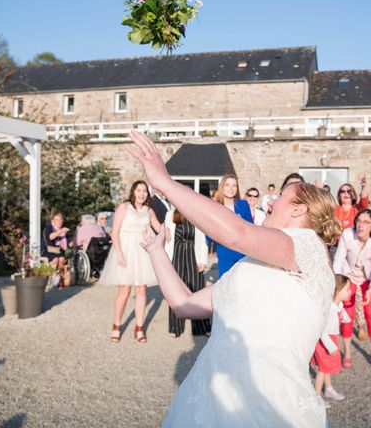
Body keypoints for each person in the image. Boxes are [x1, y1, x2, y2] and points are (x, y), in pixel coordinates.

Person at [128, 130, 342, 427]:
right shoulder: (249, 267)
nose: (270, 203)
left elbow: (236, 232)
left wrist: (165, 182)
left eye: (279, 198)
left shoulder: (309, 248)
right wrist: (155, 251)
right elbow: (185, 304)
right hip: (208, 400)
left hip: (265, 402)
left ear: (299, 209)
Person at [99, 180, 163, 343]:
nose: (142, 194)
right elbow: (115, 231)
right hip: (125, 250)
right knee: (124, 291)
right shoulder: (124, 207)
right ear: (133, 192)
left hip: (141, 252)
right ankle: (117, 325)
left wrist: (168, 227)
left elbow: (159, 227)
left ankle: (139, 327)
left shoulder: (148, 210)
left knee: (141, 290)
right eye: (139, 190)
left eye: (144, 191)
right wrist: (119, 254)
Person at [333, 208, 371, 370]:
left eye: (365, 222)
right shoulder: (347, 235)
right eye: (358, 221)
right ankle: (347, 352)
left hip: (368, 278)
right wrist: (339, 283)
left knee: (370, 313)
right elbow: (338, 259)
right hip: (349, 274)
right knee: (348, 314)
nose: (360, 225)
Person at [167, 209, 211, 338]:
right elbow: (167, 239)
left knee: (197, 289)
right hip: (176, 255)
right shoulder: (170, 214)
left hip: (193, 255)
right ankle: (175, 327)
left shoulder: (196, 213)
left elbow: (203, 238)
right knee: (175, 291)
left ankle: (202, 327)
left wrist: (203, 260)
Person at [311, 274, 352, 408]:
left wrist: (345, 316)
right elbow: (321, 329)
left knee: (326, 367)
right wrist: (330, 345)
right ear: (337, 291)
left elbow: (340, 310)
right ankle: (317, 397)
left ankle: (328, 389)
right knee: (322, 370)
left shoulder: (338, 304)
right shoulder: (328, 309)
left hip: (332, 338)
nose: (350, 291)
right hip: (324, 341)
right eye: (347, 289)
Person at [206, 175, 254, 277]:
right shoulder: (215, 207)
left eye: (234, 186)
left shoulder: (243, 205)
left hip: (243, 254)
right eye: (227, 185)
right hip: (226, 254)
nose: (231, 189)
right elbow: (209, 235)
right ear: (222, 187)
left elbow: (251, 228)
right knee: (227, 287)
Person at [41, 212, 69, 279]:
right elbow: (50, 237)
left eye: (60, 219)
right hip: (48, 250)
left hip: (58, 251)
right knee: (55, 259)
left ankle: (59, 277)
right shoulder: (49, 228)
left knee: (62, 259)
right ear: (52, 221)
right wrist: (60, 232)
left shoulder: (63, 229)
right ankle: (52, 277)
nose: (59, 221)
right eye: (57, 219)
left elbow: (66, 243)